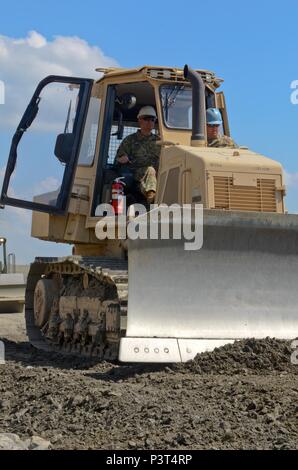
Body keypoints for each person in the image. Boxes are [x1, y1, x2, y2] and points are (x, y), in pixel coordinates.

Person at [114, 106, 160, 203]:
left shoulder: (160, 141)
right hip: (137, 176)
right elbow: (119, 158)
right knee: (150, 170)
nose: (149, 122)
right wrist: (122, 158)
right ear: (139, 120)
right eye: (146, 119)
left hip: (159, 175)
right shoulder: (130, 140)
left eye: (152, 119)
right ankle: (152, 198)